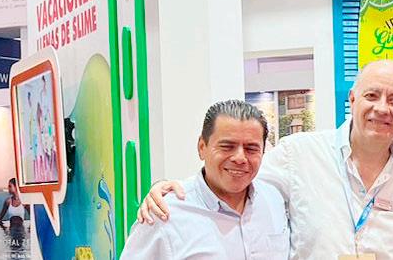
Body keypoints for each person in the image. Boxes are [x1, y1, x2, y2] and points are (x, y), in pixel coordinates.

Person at [139, 60, 393, 259]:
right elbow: (236, 174)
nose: (382, 108)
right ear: (352, 99)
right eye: (372, 96)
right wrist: (172, 188)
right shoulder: (299, 153)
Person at [122, 100, 288, 259]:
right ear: (202, 147)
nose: (240, 158)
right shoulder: (163, 214)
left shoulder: (274, 199)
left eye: (251, 149)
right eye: (227, 146)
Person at [0, 178, 29, 249]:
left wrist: (29, 231)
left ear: (16, 187)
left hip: (21, 231)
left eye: (10, 186)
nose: (8, 188)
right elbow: (0, 216)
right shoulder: (8, 201)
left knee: (20, 249)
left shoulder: (24, 201)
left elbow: (33, 218)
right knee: (12, 249)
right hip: (11, 231)